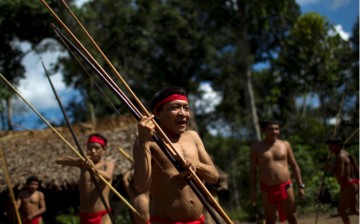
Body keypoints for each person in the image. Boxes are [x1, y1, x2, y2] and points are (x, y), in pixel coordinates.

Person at [132, 86, 219, 223]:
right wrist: (143, 140)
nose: (183, 113)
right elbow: (141, 185)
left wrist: (195, 164)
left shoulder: (193, 136)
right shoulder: (148, 141)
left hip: (198, 220)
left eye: (186, 108)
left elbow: (214, 176)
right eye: (175, 107)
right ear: (157, 114)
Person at [249, 120, 305, 224]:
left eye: (276, 129)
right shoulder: (256, 148)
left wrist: (301, 185)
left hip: (285, 185)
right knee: (270, 219)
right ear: (263, 131)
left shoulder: (285, 145)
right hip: (266, 188)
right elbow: (252, 170)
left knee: (291, 216)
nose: (274, 131)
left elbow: (294, 165)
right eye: (271, 129)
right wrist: (252, 191)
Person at [56, 133, 115, 224]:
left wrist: (93, 168)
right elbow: (59, 160)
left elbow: (108, 176)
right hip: (85, 214)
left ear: (104, 150)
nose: (93, 151)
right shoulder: (82, 163)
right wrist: (77, 161)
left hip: (103, 214)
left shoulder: (107, 163)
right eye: (89, 147)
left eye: (96, 148)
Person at [325, 136, 359, 224]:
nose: (330, 148)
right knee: (354, 210)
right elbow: (356, 168)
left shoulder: (339, 157)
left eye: (332, 146)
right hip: (353, 184)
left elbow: (340, 174)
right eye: (329, 146)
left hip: (348, 185)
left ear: (338, 145)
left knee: (341, 210)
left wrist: (329, 167)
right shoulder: (346, 153)